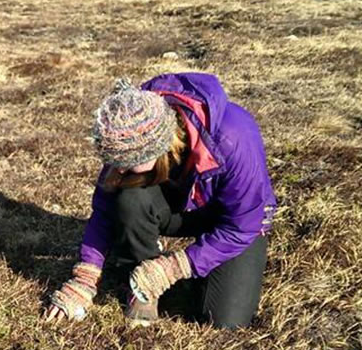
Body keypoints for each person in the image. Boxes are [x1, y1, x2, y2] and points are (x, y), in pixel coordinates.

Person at [45, 74, 276, 329]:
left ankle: (169, 274)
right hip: (179, 203)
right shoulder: (129, 127)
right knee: (128, 199)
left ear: (157, 148)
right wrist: (85, 277)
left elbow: (242, 225)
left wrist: (175, 267)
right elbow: (104, 210)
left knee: (223, 320)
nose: (118, 171)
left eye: (125, 165)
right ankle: (140, 283)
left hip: (233, 221)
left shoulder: (234, 139)